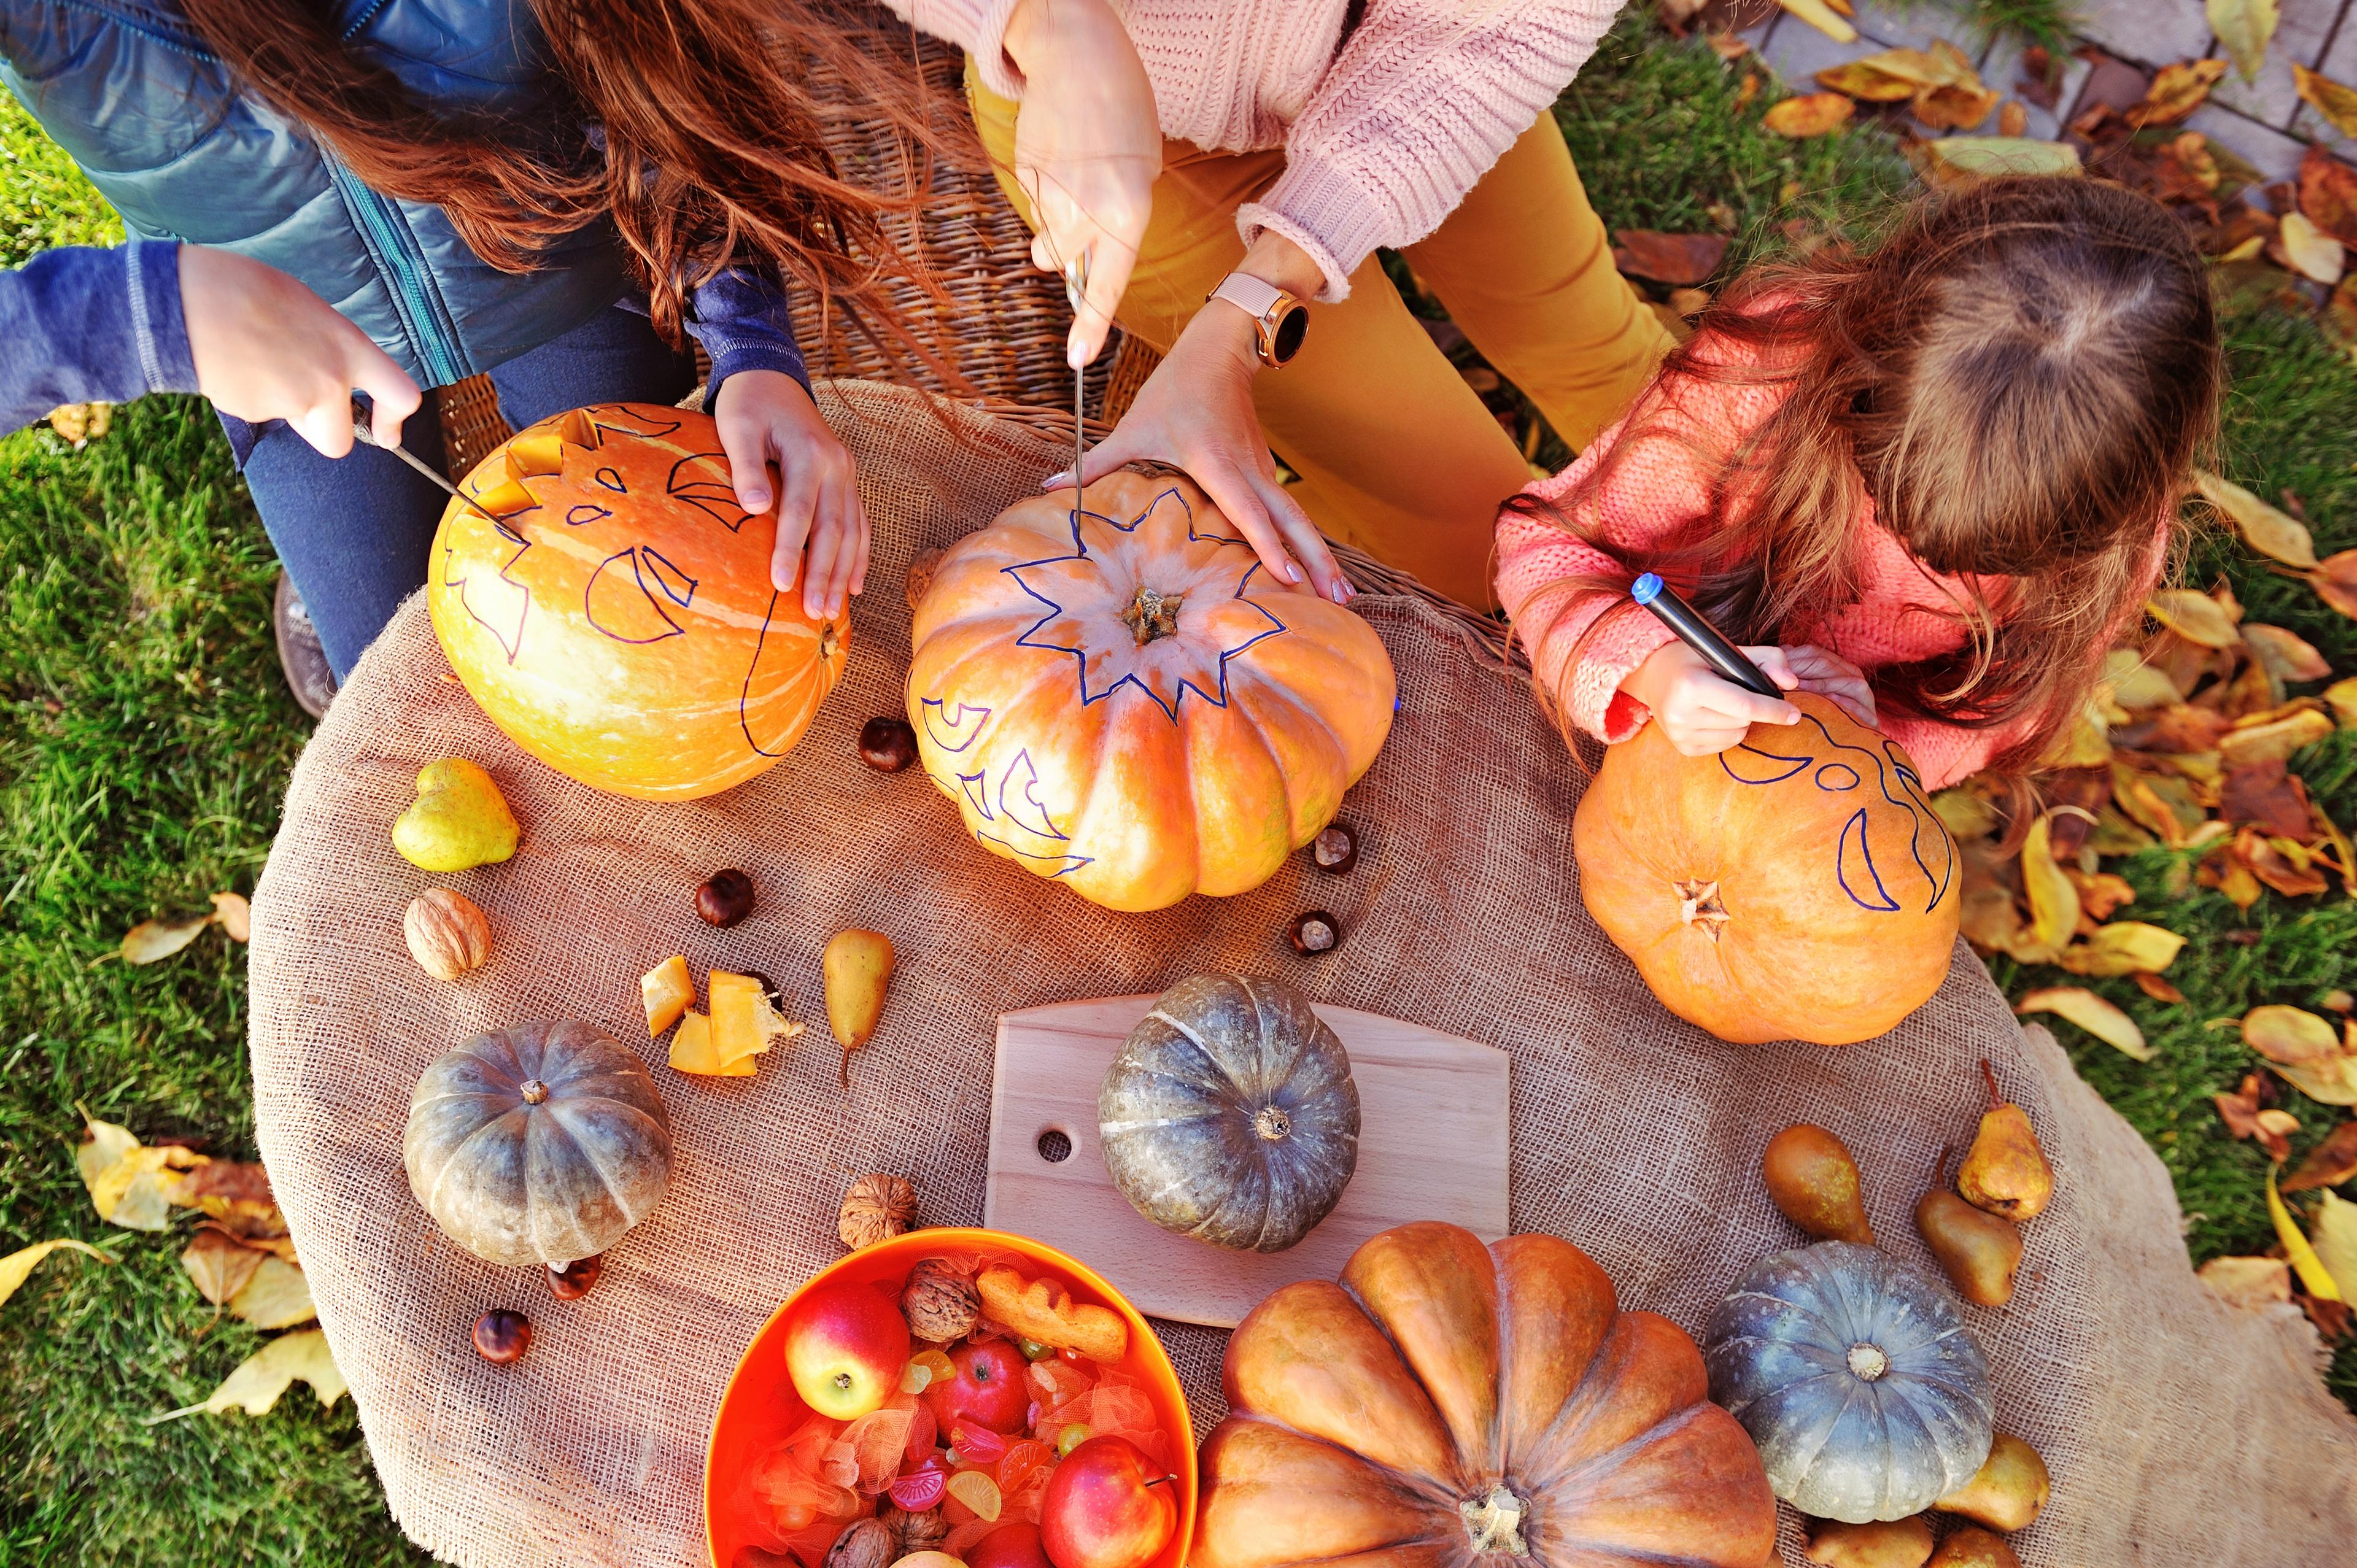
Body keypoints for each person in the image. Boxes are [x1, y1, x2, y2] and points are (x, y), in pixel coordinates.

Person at [0, 0, 925, 713]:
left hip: (558, 259)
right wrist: (150, 317)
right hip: (290, 362)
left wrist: (748, 335)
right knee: (391, 675)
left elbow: (653, 68)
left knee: (634, 637)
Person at [885, 0, 1668, 611]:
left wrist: (1248, 309)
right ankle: (1201, 563)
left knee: (1612, 358)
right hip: (1126, 124)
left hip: (1441, 54)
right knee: (1481, 543)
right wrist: (1055, 26)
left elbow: (1497, 41)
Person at [1495, 176, 2223, 792]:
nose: (1924, 565)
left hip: (1818, 793)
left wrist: (1879, 745)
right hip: (1604, 711)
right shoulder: (1763, 380)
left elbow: (2002, 716)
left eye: (1991, 561)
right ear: (1857, 368)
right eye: (1886, 499)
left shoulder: (2112, 547)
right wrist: (1648, 666)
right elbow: (1542, 551)